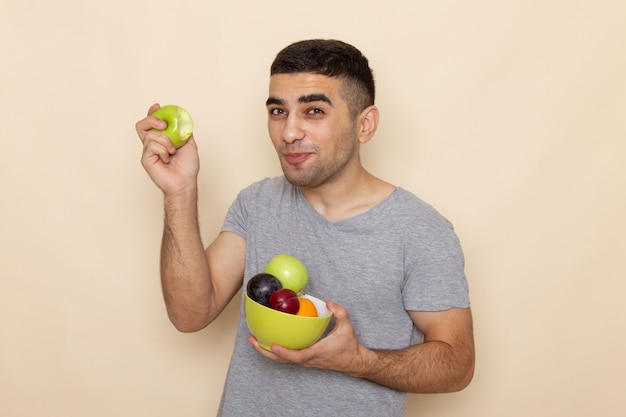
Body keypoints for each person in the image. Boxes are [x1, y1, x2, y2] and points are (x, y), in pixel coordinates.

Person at [135, 39, 474, 417]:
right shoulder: (257, 203)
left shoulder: (421, 231)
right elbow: (189, 314)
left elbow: (457, 365)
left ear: (365, 124)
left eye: (313, 111)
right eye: (278, 111)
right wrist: (179, 191)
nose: (289, 132)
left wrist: (357, 359)